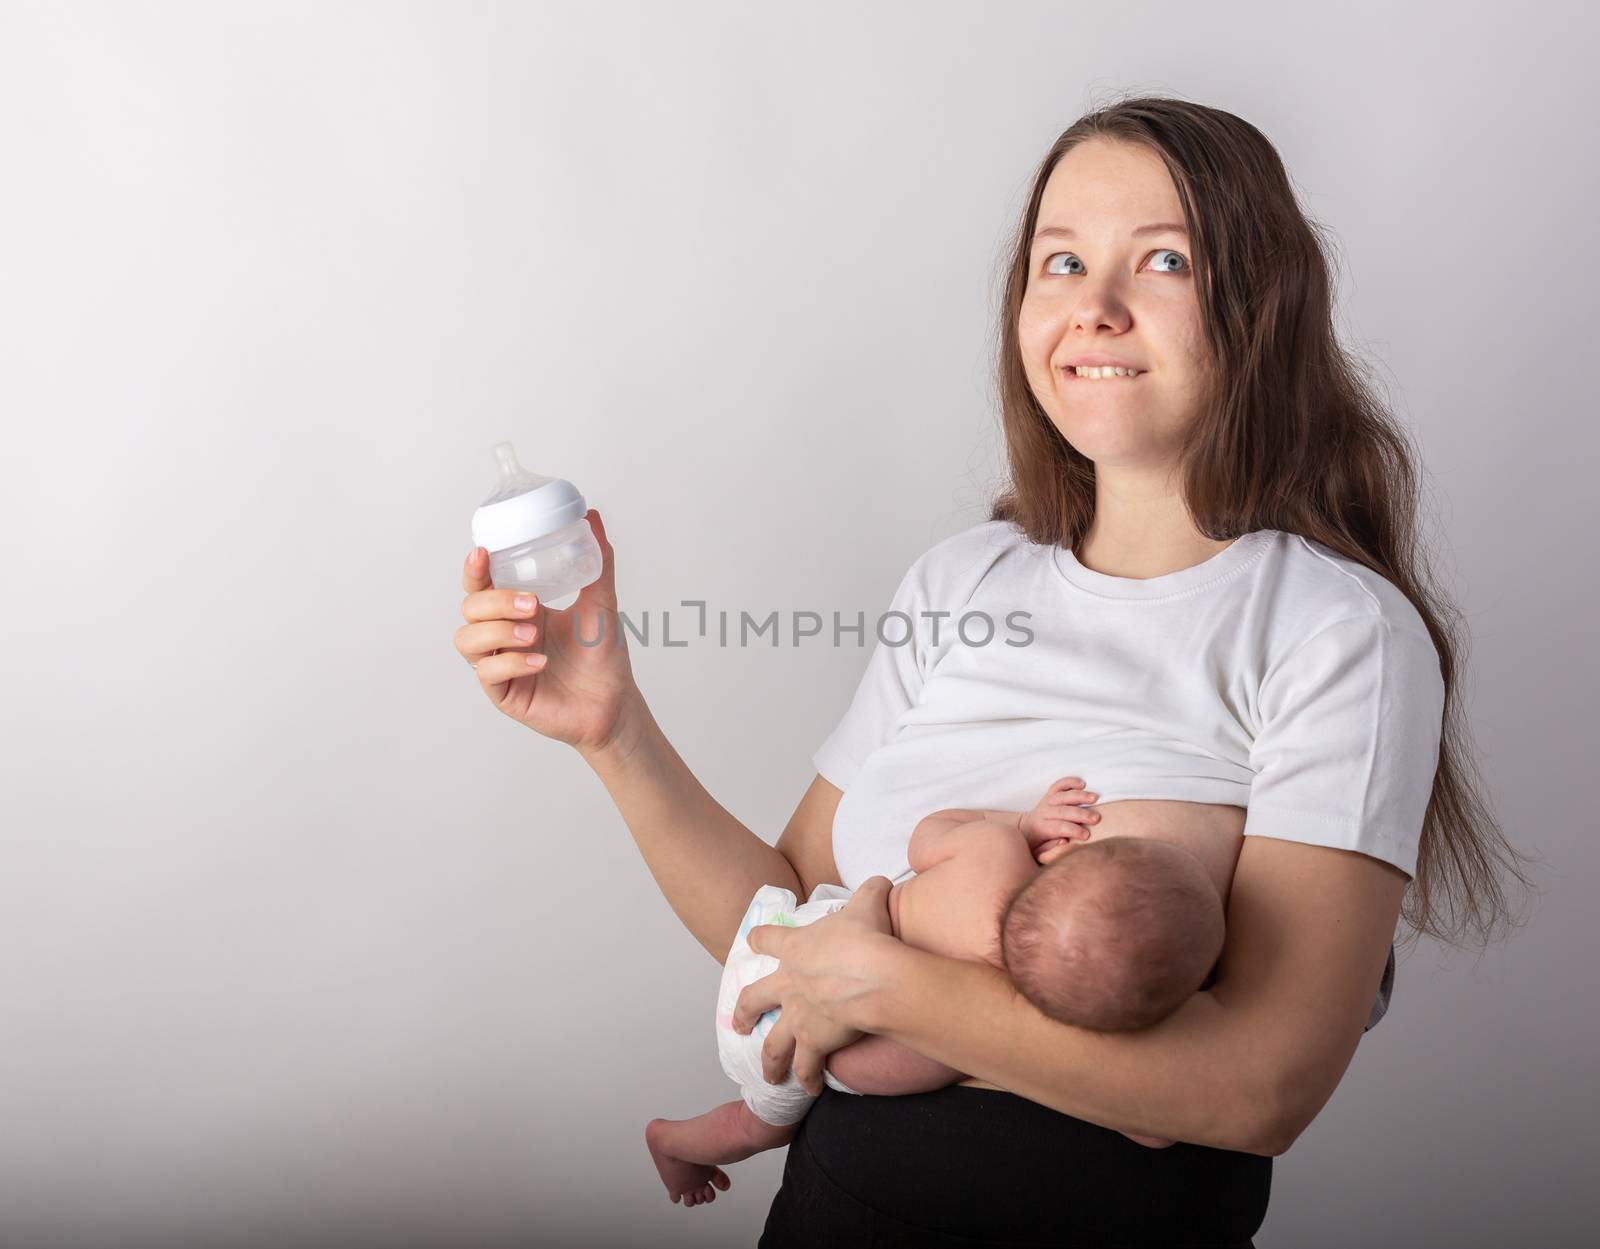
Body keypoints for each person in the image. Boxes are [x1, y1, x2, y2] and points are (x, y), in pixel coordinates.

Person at [453, 94, 1529, 1248]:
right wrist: (612, 731)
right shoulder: (962, 583)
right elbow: (782, 923)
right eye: (1059, 262)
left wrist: (896, 991)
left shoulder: (1333, 627)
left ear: (1259, 307)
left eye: (1162, 260)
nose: (1095, 310)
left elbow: (1261, 1087)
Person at [646, 778, 1229, 1207]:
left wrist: (1019, 824)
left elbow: (928, 836)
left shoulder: (993, 857)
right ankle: (675, 1140)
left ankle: (671, 1137)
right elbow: (1150, 1128)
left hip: (797, 935)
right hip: (792, 1037)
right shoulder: (1018, 1025)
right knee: (759, 1127)